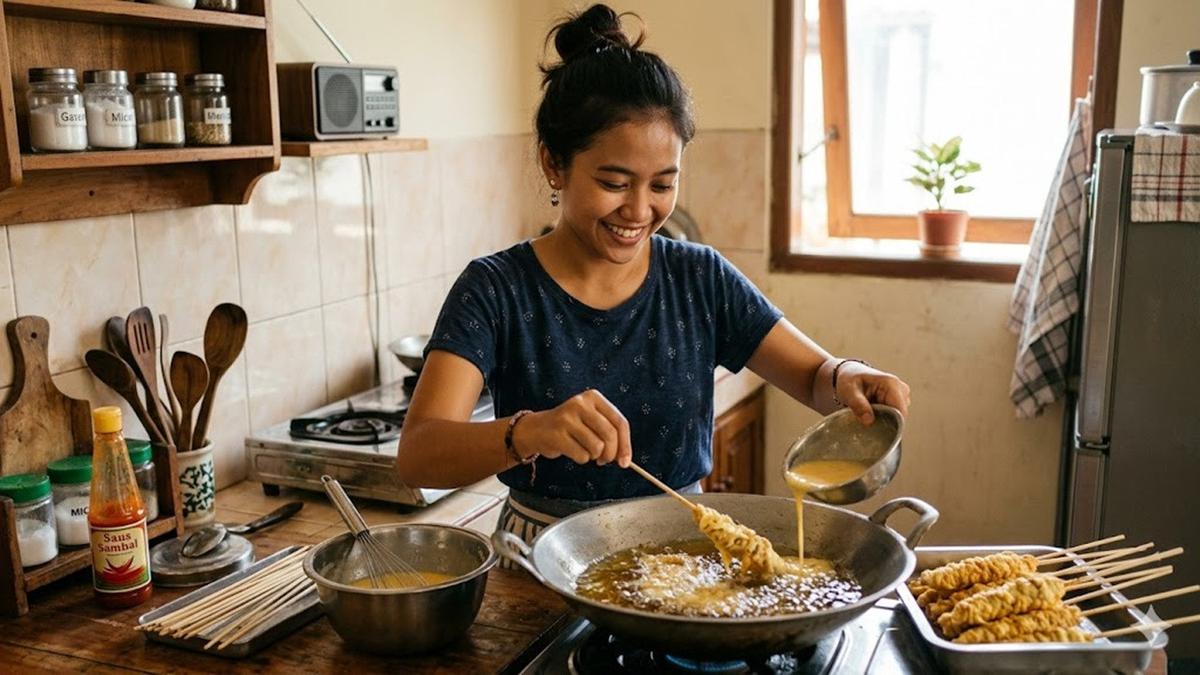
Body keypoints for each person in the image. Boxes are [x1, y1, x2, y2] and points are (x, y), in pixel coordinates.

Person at [395, 4, 910, 548]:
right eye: (615, 182)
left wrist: (848, 375)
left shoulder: (699, 278)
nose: (639, 210)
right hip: (541, 560)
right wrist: (531, 431)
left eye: (662, 185)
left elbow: (812, 377)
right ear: (554, 164)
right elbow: (419, 456)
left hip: (683, 552)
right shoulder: (496, 289)